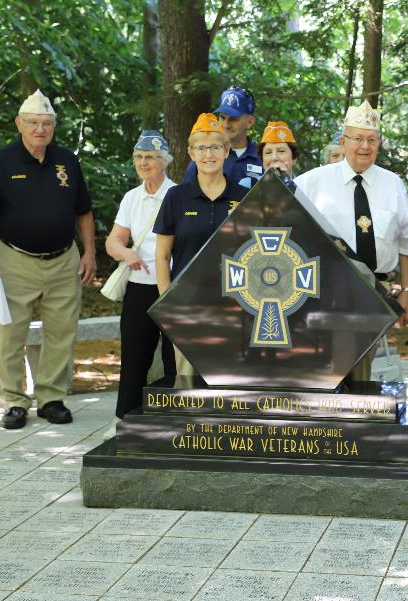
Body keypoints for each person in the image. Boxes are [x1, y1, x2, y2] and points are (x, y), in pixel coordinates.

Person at [0, 89, 96, 430]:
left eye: (47, 123)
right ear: (19, 124)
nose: (40, 129)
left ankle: (51, 398)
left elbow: (83, 211)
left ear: (54, 126)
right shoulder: (0, 162)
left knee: (62, 331)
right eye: (33, 123)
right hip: (14, 260)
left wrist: (89, 252)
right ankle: (13, 400)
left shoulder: (67, 161)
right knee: (10, 333)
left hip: (63, 261)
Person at [295, 101, 408, 380]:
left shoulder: (392, 184)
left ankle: (356, 422)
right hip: (324, 292)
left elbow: (407, 241)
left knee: (362, 372)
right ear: (343, 141)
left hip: (376, 291)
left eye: (372, 140)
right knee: (323, 370)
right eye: (358, 139)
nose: (365, 146)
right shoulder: (311, 182)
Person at [155, 114, 248, 375]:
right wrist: (167, 304)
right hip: (188, 307)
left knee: (233, 381)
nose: (209, 154)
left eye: (216, 147)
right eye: (201, 148)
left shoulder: (243, 197)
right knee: (189, 384)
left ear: (227, 151)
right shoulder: (176, 197)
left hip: (235, 305)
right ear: (191, 153)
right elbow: (162, 256)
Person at [104, 130, 177, 436]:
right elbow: (113, 241)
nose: (144, 163)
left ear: (165, 162)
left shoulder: (178, 195)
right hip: (138, 285)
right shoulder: (132, 197)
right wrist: (125, 252)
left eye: (150, 157)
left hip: (171, 285)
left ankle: (176, 419)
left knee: (174, 357)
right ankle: (123, 418)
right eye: (139, 157)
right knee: (134, 355)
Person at [182, 86, 262, 189]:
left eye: (233, 119)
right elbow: (185, 198)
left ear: (250, 121)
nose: (226, 125)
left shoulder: (262, 158)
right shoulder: (206, 157)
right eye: (222, 118)